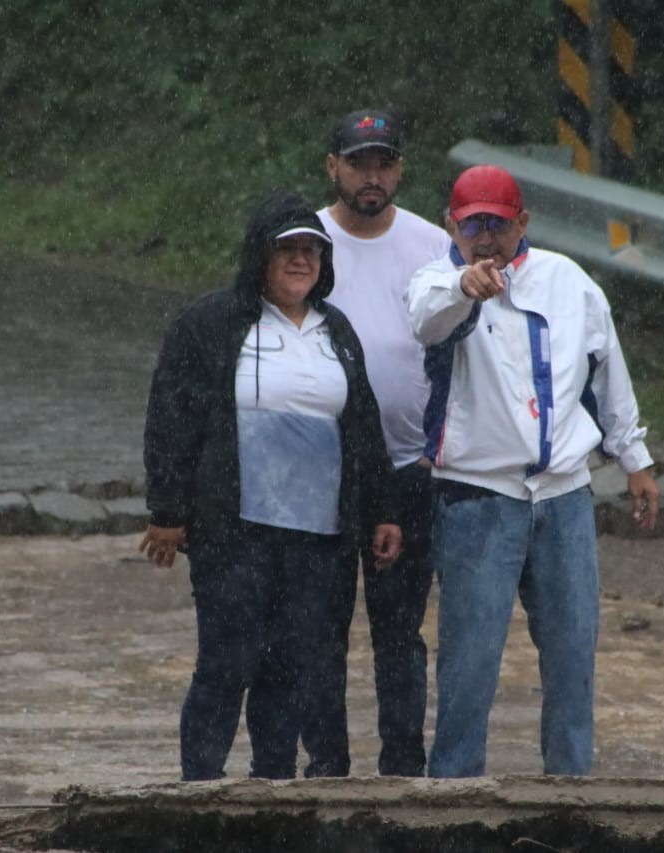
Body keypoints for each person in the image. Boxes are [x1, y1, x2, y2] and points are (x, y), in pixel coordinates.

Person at [406, 164, 660, 778]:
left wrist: (635, 458)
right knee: (469, 663)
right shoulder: (437, 282)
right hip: (478, 498)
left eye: (498, 225)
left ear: (523, 223)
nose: (485, 240)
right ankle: (455, 795)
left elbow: (608, 370)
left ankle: (570, 788)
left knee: (573, 655)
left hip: (564, 496)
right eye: (473, 227)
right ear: (451, 225)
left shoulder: (567, 281)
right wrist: (465, 286)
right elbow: (425, 321)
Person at [140, 191, 402, 781]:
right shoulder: (209, 324)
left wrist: (383, 511)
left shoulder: (337, 331)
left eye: (312, 250)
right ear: (260, 255)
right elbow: (170, 417)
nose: (300, 260)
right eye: (287, 249)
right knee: (227, 661)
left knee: (290, 665)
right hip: (234, 531)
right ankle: (200, 785)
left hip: (318, 539)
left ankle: (273, 786)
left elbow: (362, 426)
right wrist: (167, 509)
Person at [301, 109, 450, 778]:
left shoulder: (428, 242)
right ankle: (326, 762)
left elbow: (457, 347)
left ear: (400, 169)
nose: (371, 176)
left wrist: (438, 444)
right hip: (322, 471)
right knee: (319, 630)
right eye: (358, 162)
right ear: (332, 165)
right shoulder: (304, 241)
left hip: (408, 467)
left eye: (383, 162)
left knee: (400, 632)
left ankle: (403, 763)